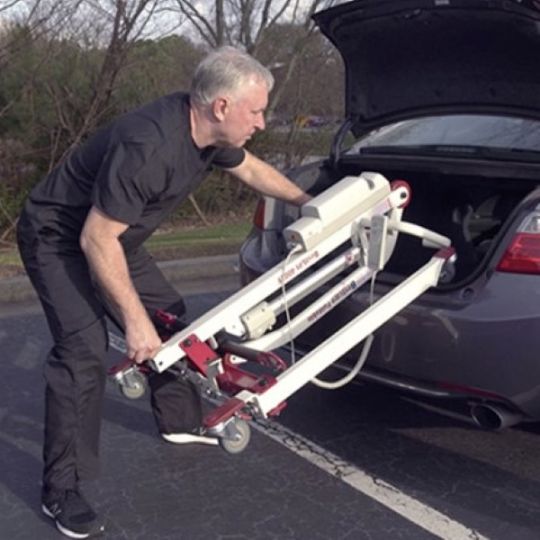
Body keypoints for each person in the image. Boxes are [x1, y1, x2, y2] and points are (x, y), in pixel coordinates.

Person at [16, 46, 310, 539]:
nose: (261, 122)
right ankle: (61, 489)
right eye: (256, 111)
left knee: (174, 320)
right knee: (83, 352)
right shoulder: (148, 146)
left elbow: (253, 170)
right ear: (221, 107)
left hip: (114, 239)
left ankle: (179, 420)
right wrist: (134, 323)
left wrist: (310, 203)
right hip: (60, 239)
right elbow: (94, 239)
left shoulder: (211, 137)